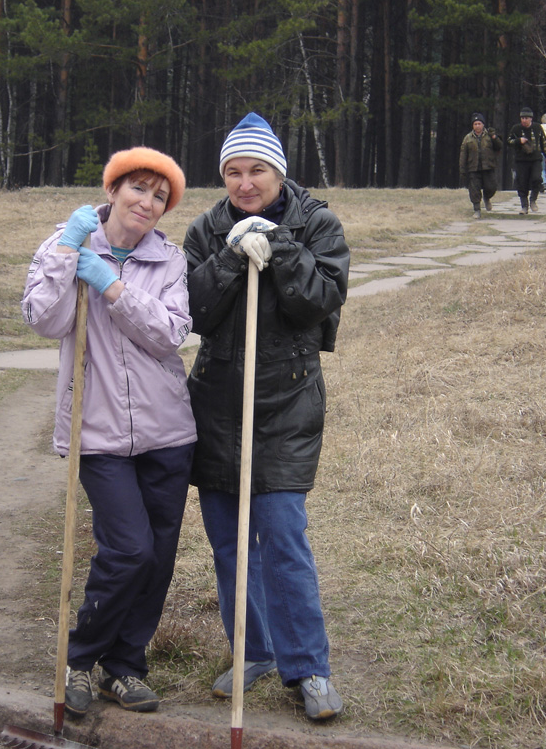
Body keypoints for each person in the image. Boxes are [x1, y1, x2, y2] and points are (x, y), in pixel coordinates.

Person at [182, 112, 349, 721]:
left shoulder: (317, 224)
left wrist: (276, 245)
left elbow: (320, 302)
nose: (245, 182)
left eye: (256, 170)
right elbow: (193, 311)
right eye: (233, 171)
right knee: (230, 544)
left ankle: (309, 668)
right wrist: (230, 257)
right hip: (218, 405)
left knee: (282, 536)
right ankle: (253, 650)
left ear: (278, 171)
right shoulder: (205, 229)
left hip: (286, 404)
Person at [21, 147, 196, 716]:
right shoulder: (67, 244)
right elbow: (44, 320)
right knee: (129, 550)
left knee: (158, 557)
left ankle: (124, 667)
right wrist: (71, 252)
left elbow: (169, 334)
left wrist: (113, 288)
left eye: (160, 196)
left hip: (167, 431)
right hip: (96, 433)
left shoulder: (169, 260)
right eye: (139, 189)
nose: (148, 203)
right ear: (114, 190)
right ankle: (80, 658)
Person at [507, 106, 546, 214]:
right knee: (521, 183)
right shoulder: (516, 129)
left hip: (535, 159)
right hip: (521, 160)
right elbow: (509, 141)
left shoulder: (537, 128)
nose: (524, 120)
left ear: (531, 118)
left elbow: (544, 142)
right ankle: (524, 206)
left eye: (526, 118)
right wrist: (518, 141)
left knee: (537, 179)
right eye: (522, 118)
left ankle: (533, 200)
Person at [459, 112, 503, 218]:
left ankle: (487, 197)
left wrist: (494, 137)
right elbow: (463, 154)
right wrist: (462, 169)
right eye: (475, 124)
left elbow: (499, 146)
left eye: (479, 123)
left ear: (483, 124)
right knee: (474, 190)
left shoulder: (489, 135)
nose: (477, 126)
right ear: (472, 126)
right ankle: (477, 209)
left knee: (491, 187)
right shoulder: (468, 138)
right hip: (473, 168)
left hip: (488, 167)